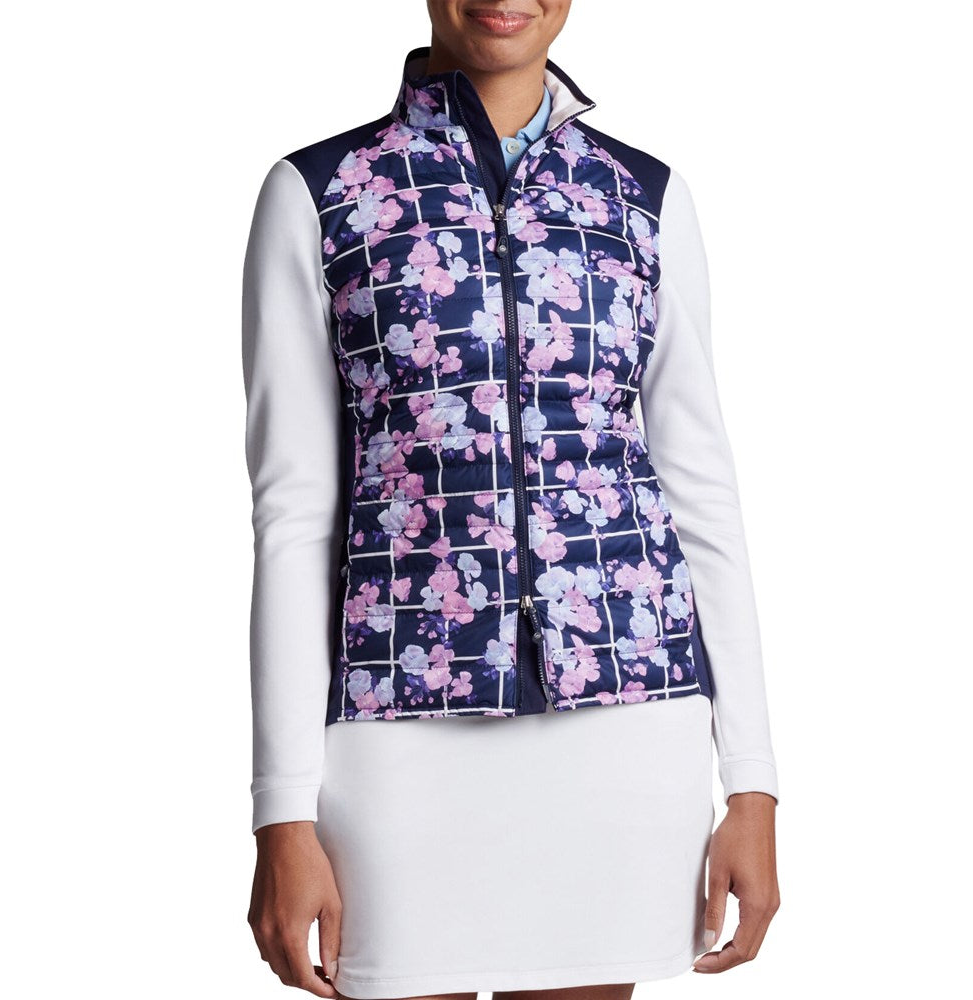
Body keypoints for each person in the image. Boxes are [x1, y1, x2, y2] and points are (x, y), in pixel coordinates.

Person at [241, 2, 780, 997]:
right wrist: (281, 808)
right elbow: (293, 512)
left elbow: (701, 492)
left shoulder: (642, 197)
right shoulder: (320, 193)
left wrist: (751, 781)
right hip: (395, 723)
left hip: (627, 723)